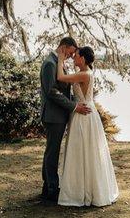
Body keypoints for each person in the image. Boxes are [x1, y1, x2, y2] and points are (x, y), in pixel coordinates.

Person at [56, 46, 119, 207]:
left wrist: (61, 59)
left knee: (83, 150)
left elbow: (61, 77)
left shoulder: (84, 74)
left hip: (83, 115)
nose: (73, 58)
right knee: (87, 151)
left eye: (76, 56)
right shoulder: (88, 72)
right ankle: (86, 188)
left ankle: (83, 191)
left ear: (83, 59)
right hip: (87, 112)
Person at [39, 37, 91, 202]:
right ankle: (52, 190)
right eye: (71, 51)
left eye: (74, 53)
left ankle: (48, 188)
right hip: (54, 116)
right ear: (64, 47)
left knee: (52, 152)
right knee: (52, 153)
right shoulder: (50, 63)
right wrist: (74, 107)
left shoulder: (58, 61)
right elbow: (51, 92)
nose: (71, 55)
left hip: (60, 115)